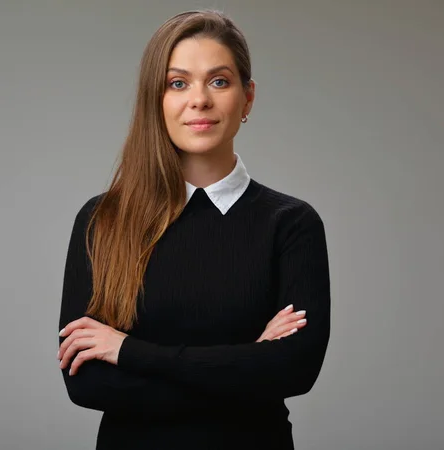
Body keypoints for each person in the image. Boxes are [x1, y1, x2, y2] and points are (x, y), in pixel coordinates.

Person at [57, 9, 330, 450]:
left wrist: (128, 352)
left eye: (219, 81)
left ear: (248, 98)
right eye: (177, 83)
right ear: (155, 99)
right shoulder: (103, 220)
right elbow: (87, 385)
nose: (199, 100)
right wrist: (247, 367)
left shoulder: (291, 224)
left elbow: (295, 371)